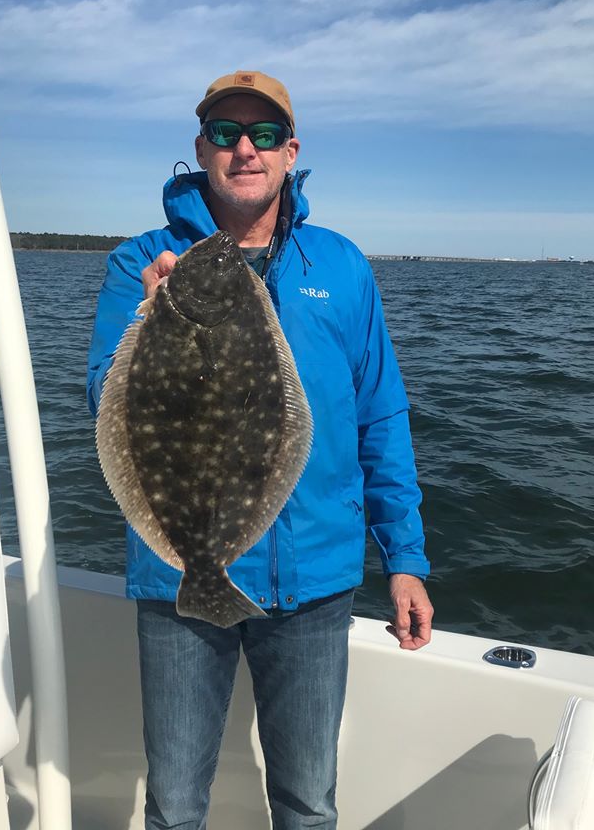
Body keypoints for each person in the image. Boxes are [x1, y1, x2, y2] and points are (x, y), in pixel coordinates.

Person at [87, 70, 434, 830]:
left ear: (290, 151)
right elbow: (102, 402)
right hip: (180, 578)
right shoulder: (140, 265)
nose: (246, 149)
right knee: (174, 809)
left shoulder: (339, 265)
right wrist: (145, 321)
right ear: (201, 149)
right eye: (227, 134)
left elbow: (382, 416)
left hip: (315, 582)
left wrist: (404, 558)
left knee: (309, 805)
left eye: (265, 135)